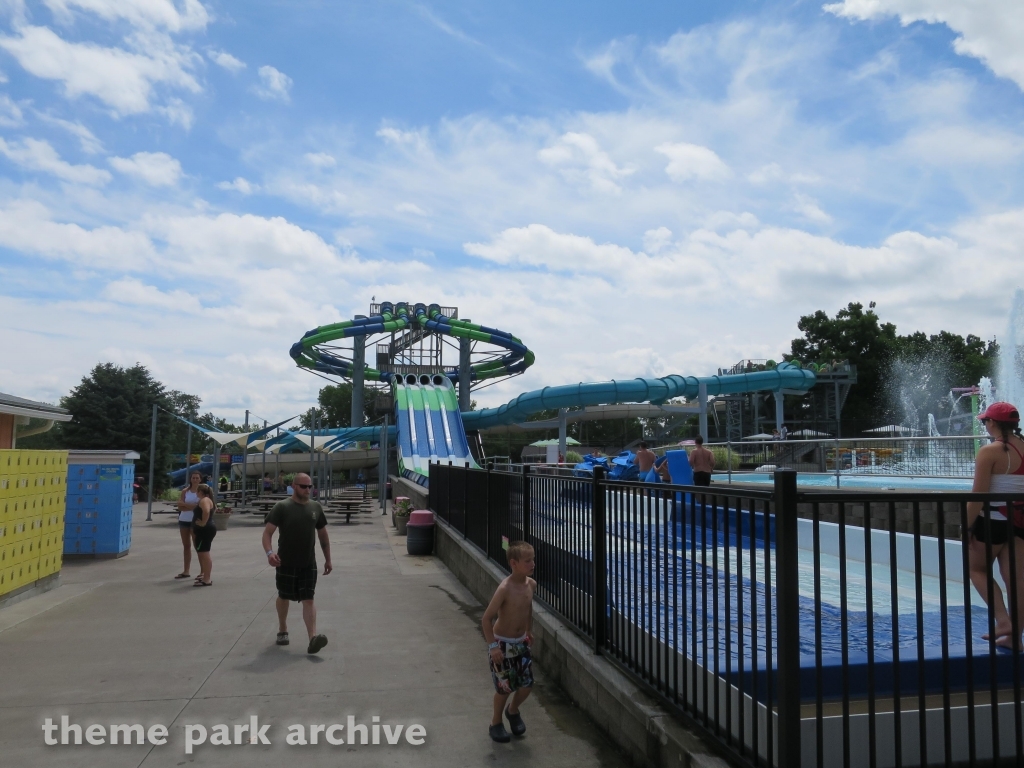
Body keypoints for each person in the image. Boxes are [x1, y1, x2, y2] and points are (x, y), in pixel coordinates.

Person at [967, 402, 1024, 650]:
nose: (985, 425)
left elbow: (978, 496)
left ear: (992, 423)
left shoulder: (989, 452)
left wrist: (965, 526)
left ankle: (1003, 621)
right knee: (1017, 579)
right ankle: (1015, 638)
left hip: (993, 520)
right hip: (1020, 520)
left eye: (985, 421)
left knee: (976, 570)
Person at [262, 472, 332, 654]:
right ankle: (283, 628)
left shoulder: (315, 507)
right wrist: (270, 553)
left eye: (310, 486)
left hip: (308, 563)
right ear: (293, 486)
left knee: (308, 599)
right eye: (303, 486)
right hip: (285, 562)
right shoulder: (282, 507)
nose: (308, 490)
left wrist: (328, 559)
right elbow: (267, 533)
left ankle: (312, 639)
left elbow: (323, 535)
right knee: (283, 596)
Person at [481, 541, 536, 743]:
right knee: (504, 687)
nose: (532, 564)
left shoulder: (531, 585)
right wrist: (493, 646)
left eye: (533, 559)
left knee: (526, 684)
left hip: (521, 643)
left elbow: (528, 608)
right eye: (527, 561)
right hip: (502, 644)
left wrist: (528, 630)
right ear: (514, 563)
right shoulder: (505, 588)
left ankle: (512, 711)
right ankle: (495, 723)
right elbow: (486, 619)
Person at [174, 471, 202, 579]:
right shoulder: (185, 491)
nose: (195, 480)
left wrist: (185, 504)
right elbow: (180, 507)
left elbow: (198, 507)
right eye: (193, 478)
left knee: (198, 546)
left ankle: (202, 571)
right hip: (184, 520)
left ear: (200, 479)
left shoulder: (201, 492)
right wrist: (190, 506)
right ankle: (186, 571)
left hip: (195, 521)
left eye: (197, 478)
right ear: (190, 479)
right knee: (186, 546)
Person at [191, 484, 217, 587]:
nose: (196, 493)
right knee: (202, 553)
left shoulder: (204, 500)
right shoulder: (206, 499)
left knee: (205, 553)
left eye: (197, 491)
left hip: (205, 530)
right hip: (204, 530)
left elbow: (206, 511)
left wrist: (203, 523)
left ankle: (207, 579)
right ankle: (205, 576)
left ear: (200, 492)